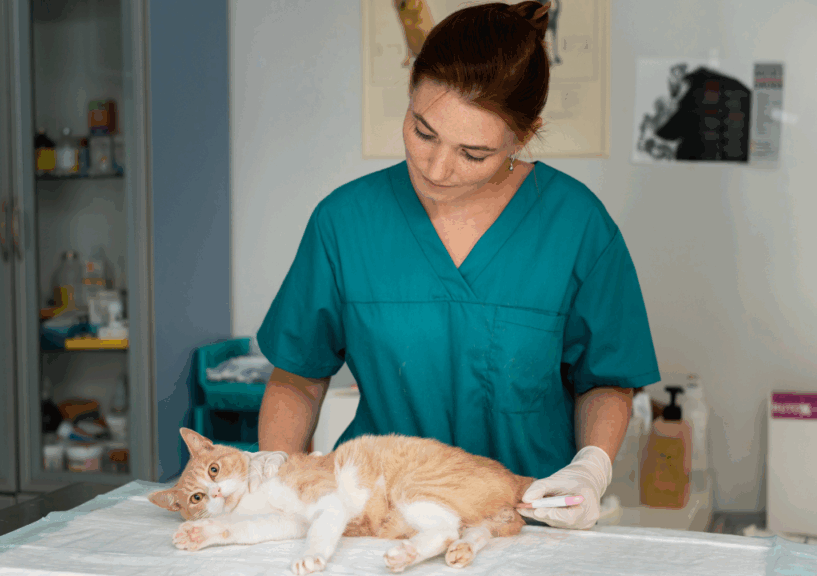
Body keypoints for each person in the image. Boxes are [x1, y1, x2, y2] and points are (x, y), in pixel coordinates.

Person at [254, 0, 659, 530]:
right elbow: (298, 377)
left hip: (523, 524)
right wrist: (275, 476)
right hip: (374, 521)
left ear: (524, 134)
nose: (437, 168)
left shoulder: (577, 226)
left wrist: (591, 468)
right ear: (409, 94)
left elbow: (606, 380)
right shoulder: (344, 222)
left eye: (473, 154)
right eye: (424, 132)